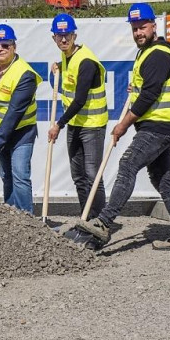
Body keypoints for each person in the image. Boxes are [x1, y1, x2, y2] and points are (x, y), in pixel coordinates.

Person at [74, 3, 170, 250]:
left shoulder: (158, 54)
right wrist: (135, 90)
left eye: (143, 27)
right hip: (160, 124)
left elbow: (149, 97)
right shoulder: (146, 53)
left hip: (159, 125)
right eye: (135, 28)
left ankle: (104, 223)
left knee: (127, 164)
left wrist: (123, 125)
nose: (138, 32)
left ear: (154, 26)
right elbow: (147, 88)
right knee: (162, 179)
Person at [46, 13, 108, 221]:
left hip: (92, 125)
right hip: (75, 125)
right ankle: (86, 218)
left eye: (68, 35)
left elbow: (80, 99)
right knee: (78, 176)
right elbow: (69, 75)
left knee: (93, 176)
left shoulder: (86, 61)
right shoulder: (67, 56)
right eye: (59, 36)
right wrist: (59, 67)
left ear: (74, 35)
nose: (64, 40)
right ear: (54, 37)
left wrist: (59, 124)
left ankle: (100, 222)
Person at [0, 23, 42, 214]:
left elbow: (13, 114)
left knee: (20, 174)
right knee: (6, 176)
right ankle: (11, 218)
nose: (0, 49)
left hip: (21, 131)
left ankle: (27, 221)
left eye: (5, 45)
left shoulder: (25, 75)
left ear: (14, 46)